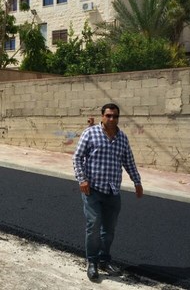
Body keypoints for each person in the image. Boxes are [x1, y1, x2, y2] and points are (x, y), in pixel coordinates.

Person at [72, 103, 143, 281]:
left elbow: (128, 161)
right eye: (109, 115)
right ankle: (92, 263)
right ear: (102, 116)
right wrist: (82, 180)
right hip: (92, 189)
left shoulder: (122, 138)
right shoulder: (90, 133)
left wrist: (137, 182)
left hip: (112, 191)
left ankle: (104, 260)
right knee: (93, 225)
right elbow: (78, 157)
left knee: (109, 230)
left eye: (115, 116)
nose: (112, 119)